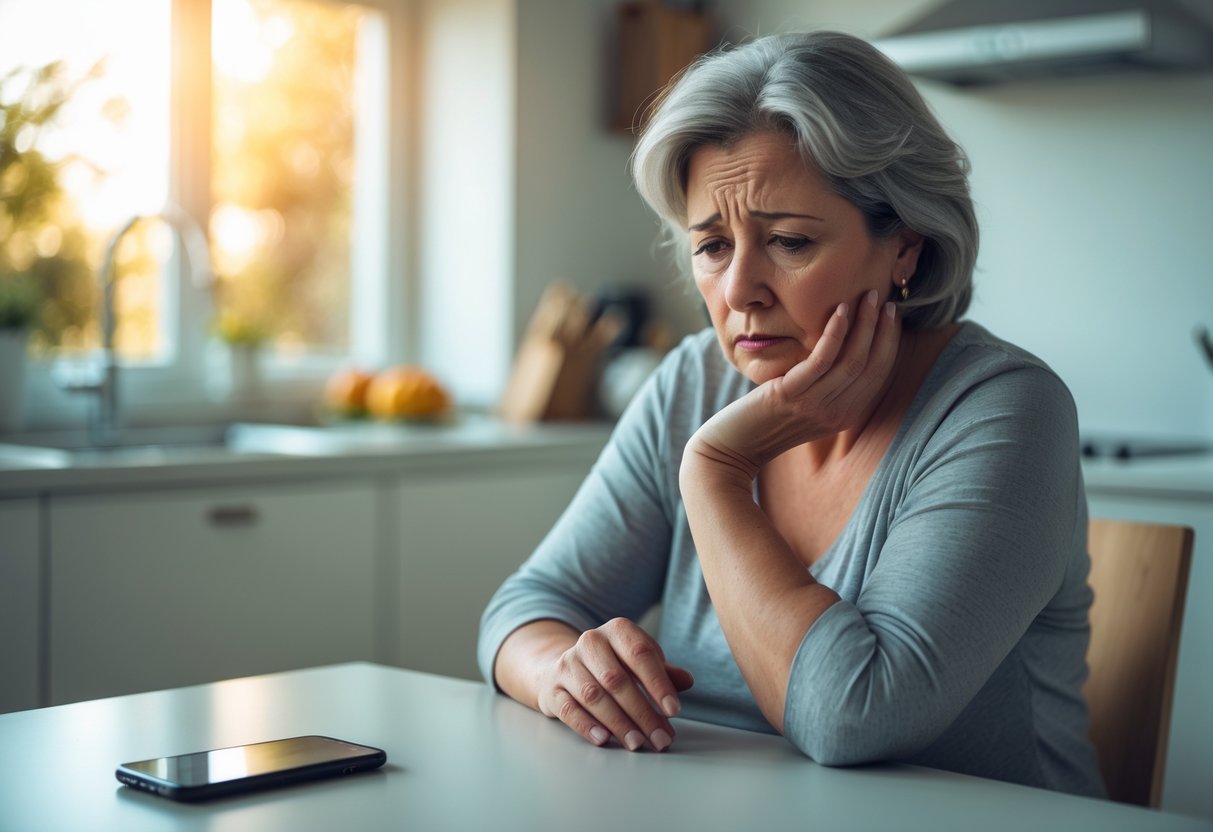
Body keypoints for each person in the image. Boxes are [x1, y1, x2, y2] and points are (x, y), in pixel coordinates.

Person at [477, 30, 1105, 797]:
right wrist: (563, 675)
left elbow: (853, 717)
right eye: (711, 245)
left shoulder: (1001, 410)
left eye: (788, 241)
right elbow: (525, 608)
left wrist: (715, 470)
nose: (740, 289)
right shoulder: (692, 382)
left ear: (903, 248)